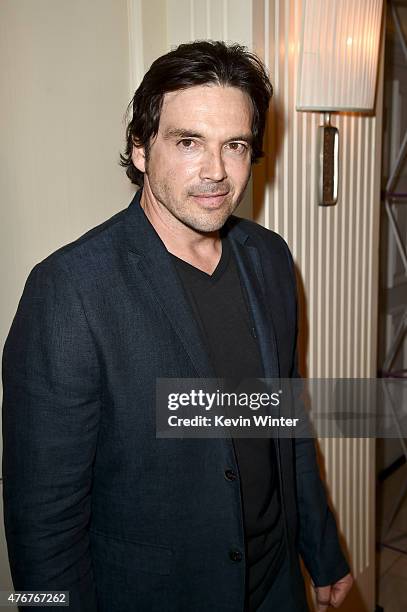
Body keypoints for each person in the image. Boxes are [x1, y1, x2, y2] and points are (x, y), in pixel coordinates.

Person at [2, 40, 353, 612]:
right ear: (141, 149)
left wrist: (322, 547)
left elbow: (285, 424)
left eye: (234, 145)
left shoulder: (268, 258)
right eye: (189, 142)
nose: (216, 172)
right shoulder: (68, 291)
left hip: (273, 584)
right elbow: (42, 524)